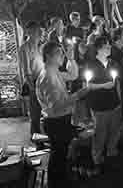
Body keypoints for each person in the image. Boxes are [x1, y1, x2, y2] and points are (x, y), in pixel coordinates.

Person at [36, 41, 90, 188]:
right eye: (59, 53)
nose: (62, 56)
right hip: (55, 122)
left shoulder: (54, 72)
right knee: (57, 155)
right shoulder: (48, 77)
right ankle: (56, 183)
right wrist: (78, 94)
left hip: (59, 120)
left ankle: (60, 180)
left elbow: (73, 75)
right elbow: (58, 105)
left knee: (61, 153)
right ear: (48, 56)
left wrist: (71, 59)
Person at [85, 36, 122, 168]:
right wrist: (103, 86)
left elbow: (117, 83)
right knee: (100, 133)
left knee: (115, 130)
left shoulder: (113, 63)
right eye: (106, 46)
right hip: (99, 106)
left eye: (109, 46)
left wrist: (120, 101)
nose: (109, 48)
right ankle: (97, 157)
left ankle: (112, 151)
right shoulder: (91, 65)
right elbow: (88, 86)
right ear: (99, 49)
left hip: (114, 103)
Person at [19, 21, 43, 135]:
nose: (39, 33)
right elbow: (26, 71)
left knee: (43, 112)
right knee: (35, 113)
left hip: (42, 80)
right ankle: (36, 137)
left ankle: (41, 136)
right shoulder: (25, 48)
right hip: (33, 82)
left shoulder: (39, 46)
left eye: (39, 31)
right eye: (36, 31)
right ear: (29, 32)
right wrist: (32, 88)